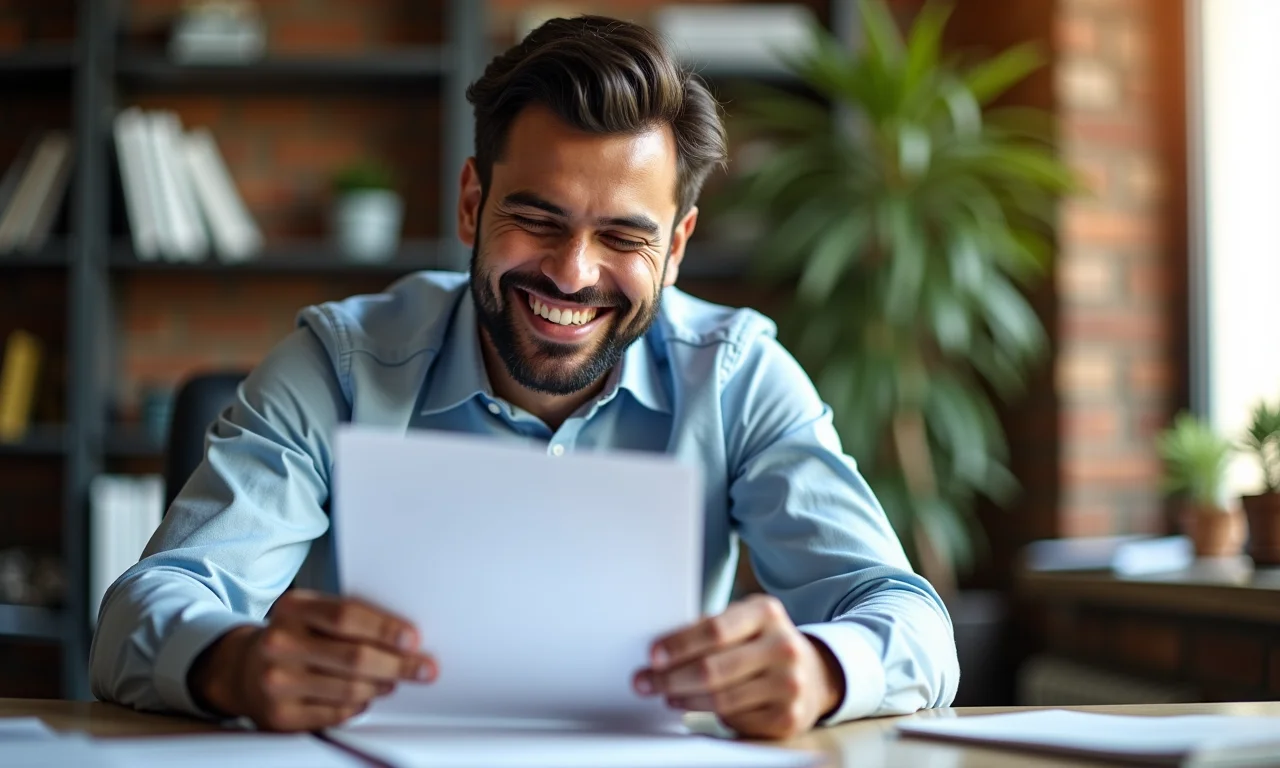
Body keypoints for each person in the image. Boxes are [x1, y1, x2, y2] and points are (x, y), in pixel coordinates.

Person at [90, 16, 958, 739]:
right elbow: (141, 611)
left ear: (678, 246)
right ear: (473, 203)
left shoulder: (739, 376)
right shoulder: (340, 363)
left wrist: (822, 669)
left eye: (624, 237)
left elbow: (911, 621)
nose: (573, 274)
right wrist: (232, 663)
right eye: (537, 219)